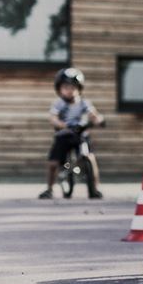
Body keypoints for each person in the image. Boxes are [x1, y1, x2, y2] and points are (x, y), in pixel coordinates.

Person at [40, 67, 105, 199]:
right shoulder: (59, 104)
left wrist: (98, 119)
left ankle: (95, 189)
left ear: (79, 88)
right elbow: (52, 117)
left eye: (73, 87)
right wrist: (62, 124)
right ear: (59, 89)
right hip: (63, 136)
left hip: (80, 136)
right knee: (53, 163)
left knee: (90, 158)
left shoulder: (84, 103)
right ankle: (49, 189)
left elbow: (93, 114)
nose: (69, 90)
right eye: (66, 87)